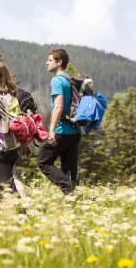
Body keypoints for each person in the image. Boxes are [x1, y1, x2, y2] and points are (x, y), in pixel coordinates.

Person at [37, 49, 81, 194]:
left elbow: (59, 106)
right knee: (69, 169)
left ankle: (66, 187)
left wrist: (51, 130)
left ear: (59, 62)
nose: (46, 63)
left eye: (50, 60)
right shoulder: (70, 80)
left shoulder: (57, 80)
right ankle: (72, 199)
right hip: (75, 131)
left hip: (62, 130)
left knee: (43, 161)